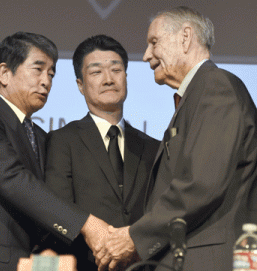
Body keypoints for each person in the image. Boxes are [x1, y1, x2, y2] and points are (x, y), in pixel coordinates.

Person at [95, 6, 257, 271]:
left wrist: (135, 237)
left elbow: (201, 183)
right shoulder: (199, 93)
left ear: (185, 37)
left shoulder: (216, 87)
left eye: (153, 42)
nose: (146, 55)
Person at [0, 31, 110, 271]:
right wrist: (87, 224)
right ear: (5, 73)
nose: (46, 81)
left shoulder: (41, 136)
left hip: (35, 265)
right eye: (38, 69)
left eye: (51, 73)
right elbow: (13, 179)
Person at [45, 34, 160, 270]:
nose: (108, 79)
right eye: (96, 72)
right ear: (80, 85)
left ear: (126, 77)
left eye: (116, 70)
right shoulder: (62, 140)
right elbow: (58, 207)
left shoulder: (153, 147)